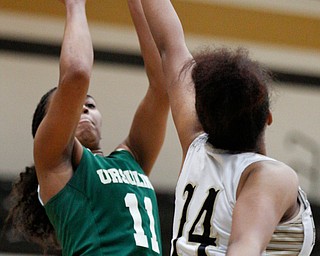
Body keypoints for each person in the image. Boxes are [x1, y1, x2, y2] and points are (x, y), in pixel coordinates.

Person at [138, 0, 316, 255]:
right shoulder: (270, 176)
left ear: (201, 116)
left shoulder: (195, 147)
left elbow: (170, 46)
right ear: (267, 117)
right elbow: (244, 247)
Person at [5, 0, 169, 255]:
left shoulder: (132, 158)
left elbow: (162, 85)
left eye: (90, 104)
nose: (83, 107)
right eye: (72, 105)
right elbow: (76, 75)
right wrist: (75, 5)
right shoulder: (57, 163)